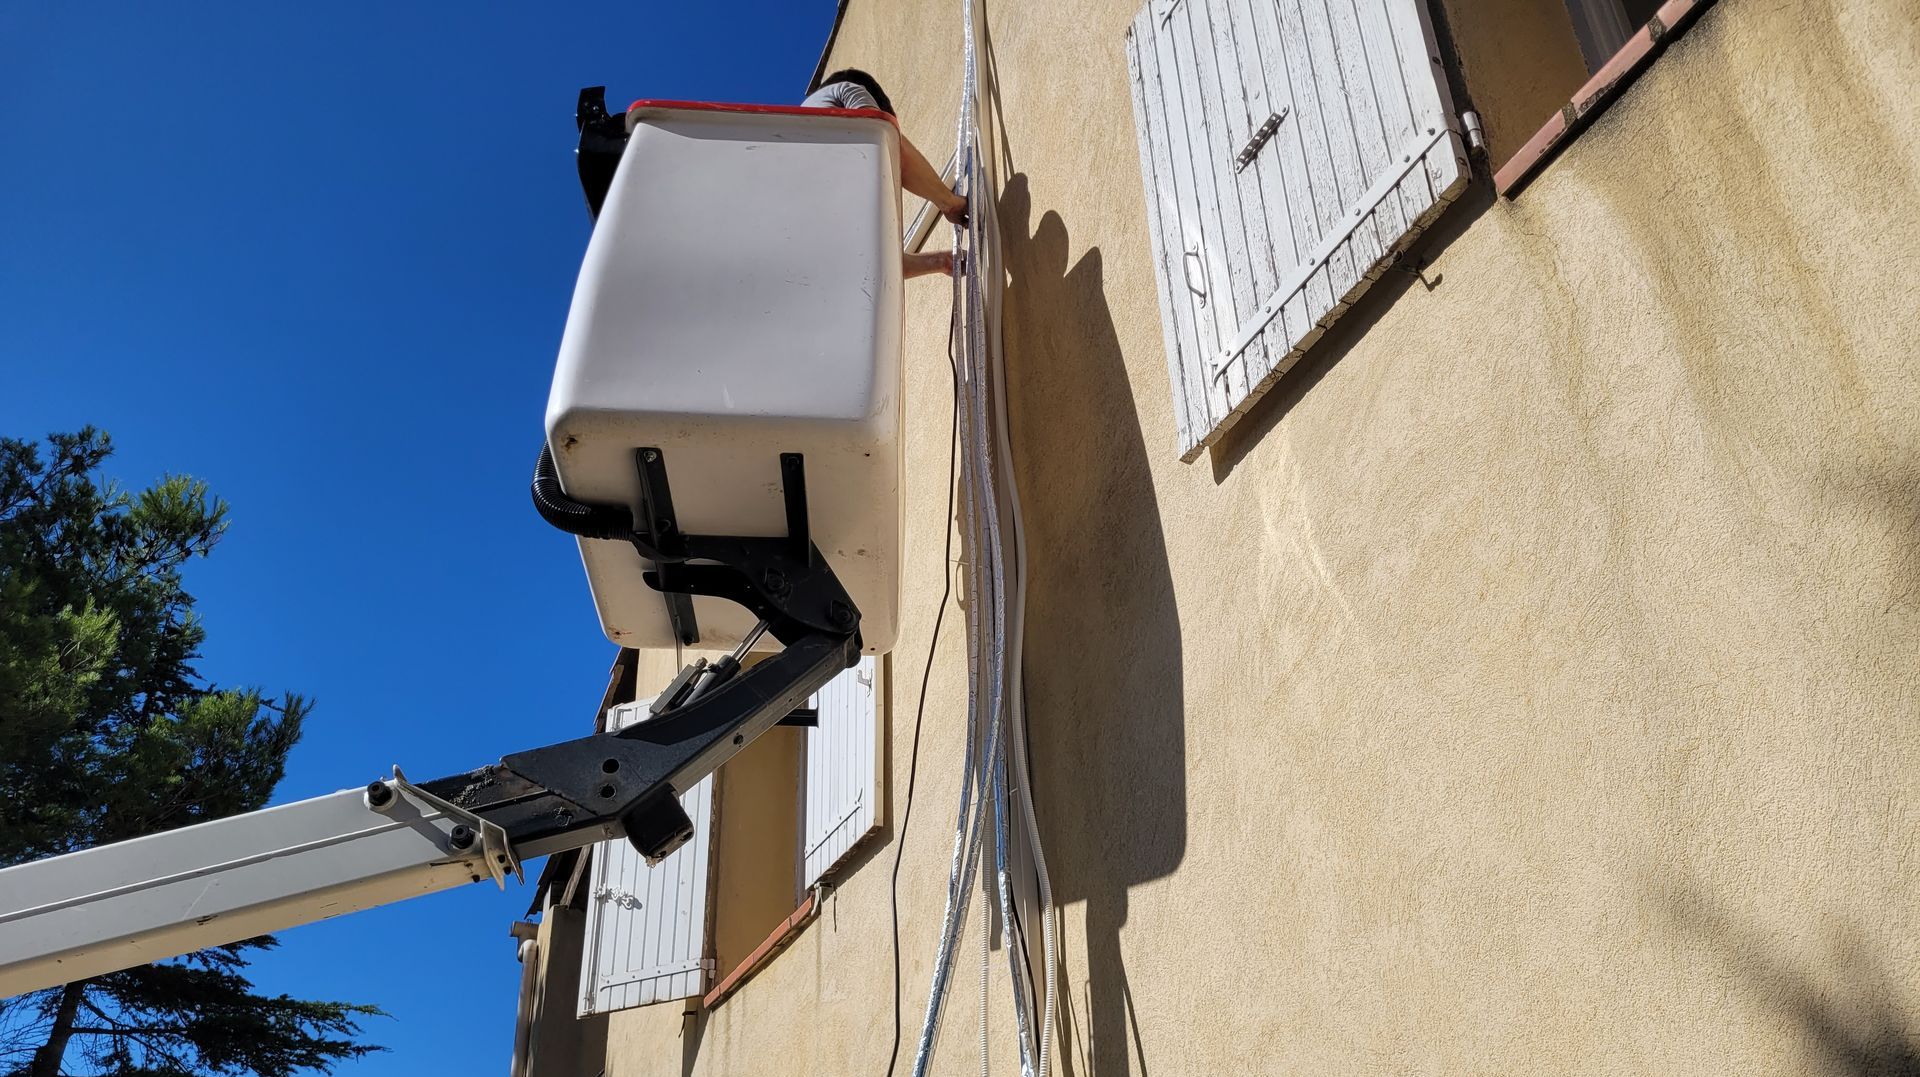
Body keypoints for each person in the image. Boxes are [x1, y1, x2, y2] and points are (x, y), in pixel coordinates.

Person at [804, 68, 968, 279]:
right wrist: (947, 201)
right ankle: (949, 202)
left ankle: (939, 259)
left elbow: (871, 264)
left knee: (868, 254)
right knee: (887, 136)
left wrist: (940, 262)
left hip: (810, 231)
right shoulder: (845, 88)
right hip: (833, 181)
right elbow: (879, 136)